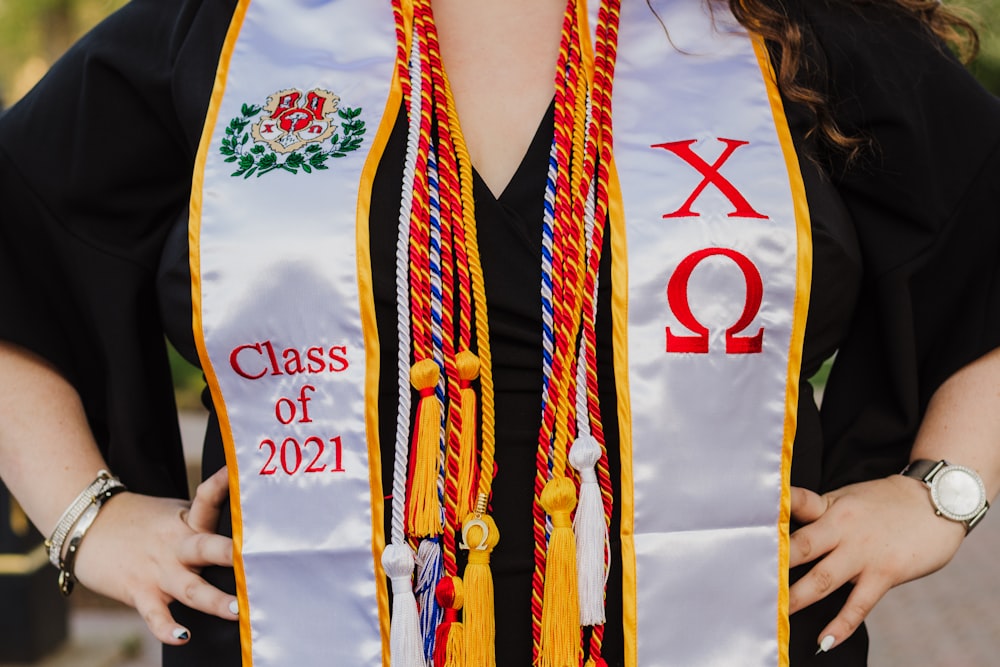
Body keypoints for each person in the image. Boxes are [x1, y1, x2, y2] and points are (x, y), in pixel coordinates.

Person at [1, 0, 998, 665]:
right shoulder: (237, 30)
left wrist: (939, 497)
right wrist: (84, 517)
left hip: (721, 627)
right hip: (303, 630)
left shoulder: (777, 23)